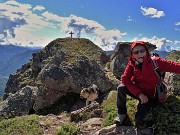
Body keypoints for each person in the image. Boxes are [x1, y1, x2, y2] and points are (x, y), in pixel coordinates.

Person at [114, 41, 180, 129]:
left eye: (142, 51)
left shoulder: (156, 62)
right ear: (132, 54)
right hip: (140, 94)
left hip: (151, 96)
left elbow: (174, 66)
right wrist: (139, 94)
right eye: (136, 52)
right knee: (121, 88)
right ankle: (121, 114)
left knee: (138, 121)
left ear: (146, 51)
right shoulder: (132, 64)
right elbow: (125, 79)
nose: (139, 54)